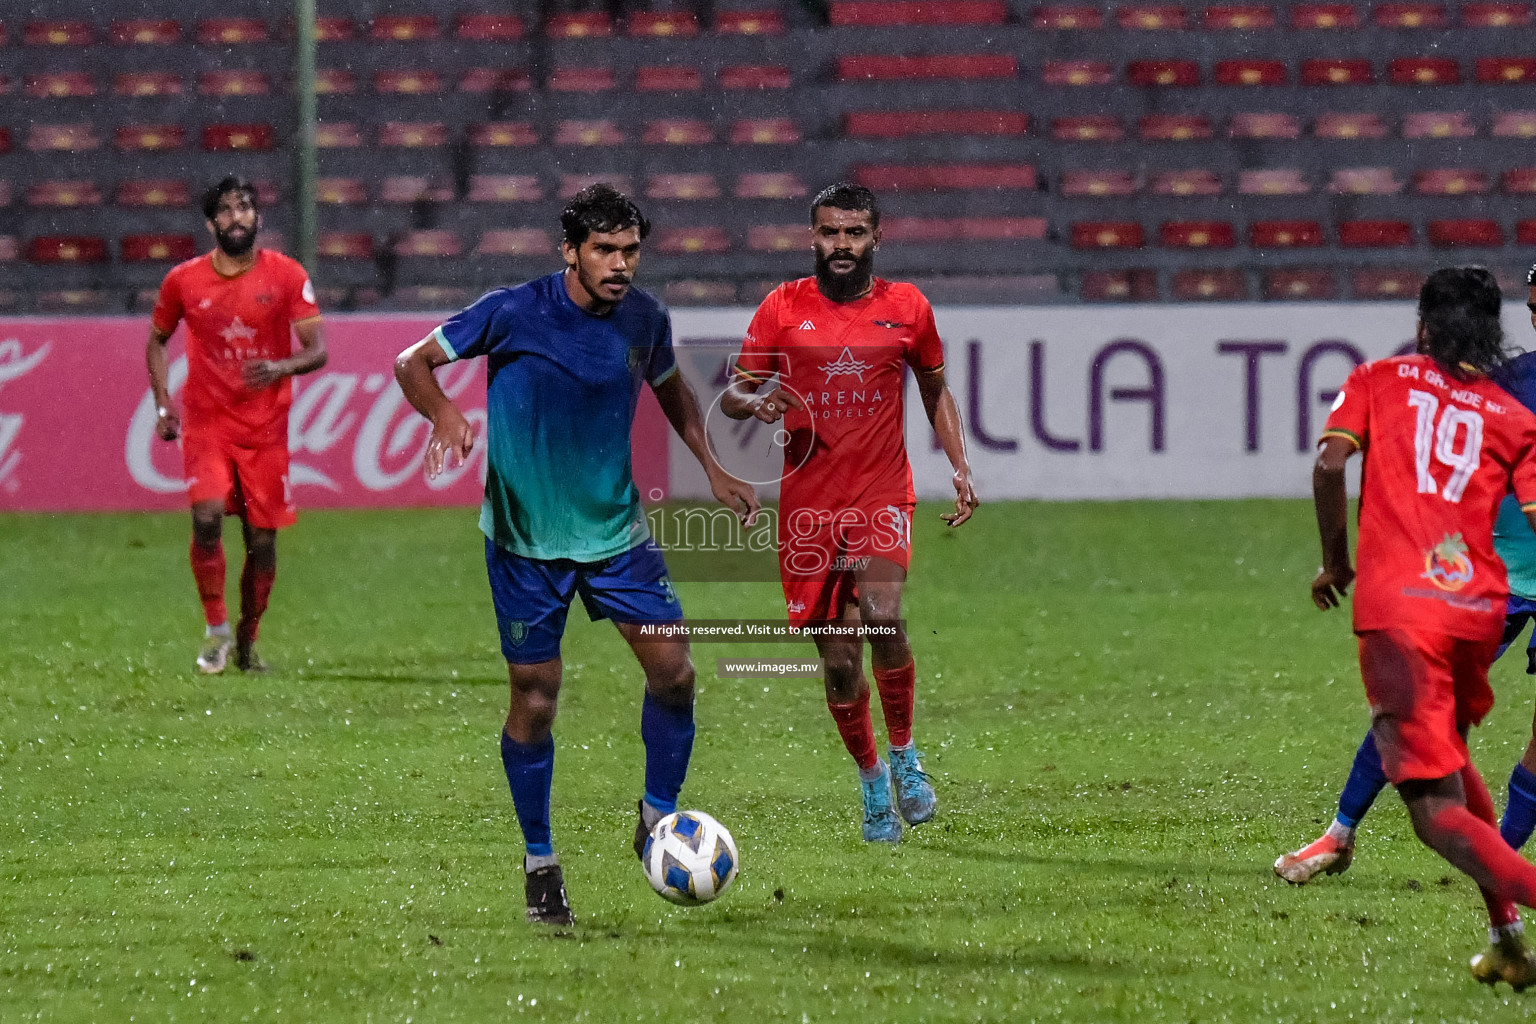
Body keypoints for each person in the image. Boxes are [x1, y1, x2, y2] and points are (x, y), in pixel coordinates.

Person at [393, 185, 758, 925]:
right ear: (571, 250)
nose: (620, 264)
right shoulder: (512, 311)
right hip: (526, 542)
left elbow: (672, 390)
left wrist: (713, 466)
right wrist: (448, 416)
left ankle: (657, 818)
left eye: (629, 250)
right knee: (534, 696)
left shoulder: (646, 318)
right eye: (604, 250)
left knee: (676, 673)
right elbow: (412, 364)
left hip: (615, 533)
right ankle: (540, 862)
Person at [720, 182, 977, 844]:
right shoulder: (782, 309)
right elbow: (732, 397)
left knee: (884, 615)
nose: (842, 244)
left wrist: (959, 466)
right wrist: (756, 403)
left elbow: (935, 390)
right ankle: (871, 785)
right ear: (813, 237)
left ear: (875, 238)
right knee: (838, 662)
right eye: (831, 232)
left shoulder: (907, 308)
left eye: (854, 232)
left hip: (881, 493)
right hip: (809, 507)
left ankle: (905, 758)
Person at [1302, 266, 1536, 989]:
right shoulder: (1511, 414)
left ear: (1423, 324)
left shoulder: (1381, 379)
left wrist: (1335, 562)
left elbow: (1329, 461)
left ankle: (1345, 836)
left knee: (1435, 815)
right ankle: (1508, 942)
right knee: (1457, 764)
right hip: (1479, 610)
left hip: (1405, 613)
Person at [146, 175, 326, 674]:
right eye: (224, 210)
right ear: (211, 224)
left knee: (261, 543)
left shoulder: (287, 275)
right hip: (207, 423)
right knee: (204, 518)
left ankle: (247, 641)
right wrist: (163, 403)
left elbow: (318, 349)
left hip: (265, 429)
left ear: (258, 217)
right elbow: (156, 339)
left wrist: (280, 367)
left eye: (244, 207)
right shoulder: (183, 281)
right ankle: (217, 628)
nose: (235, 217)